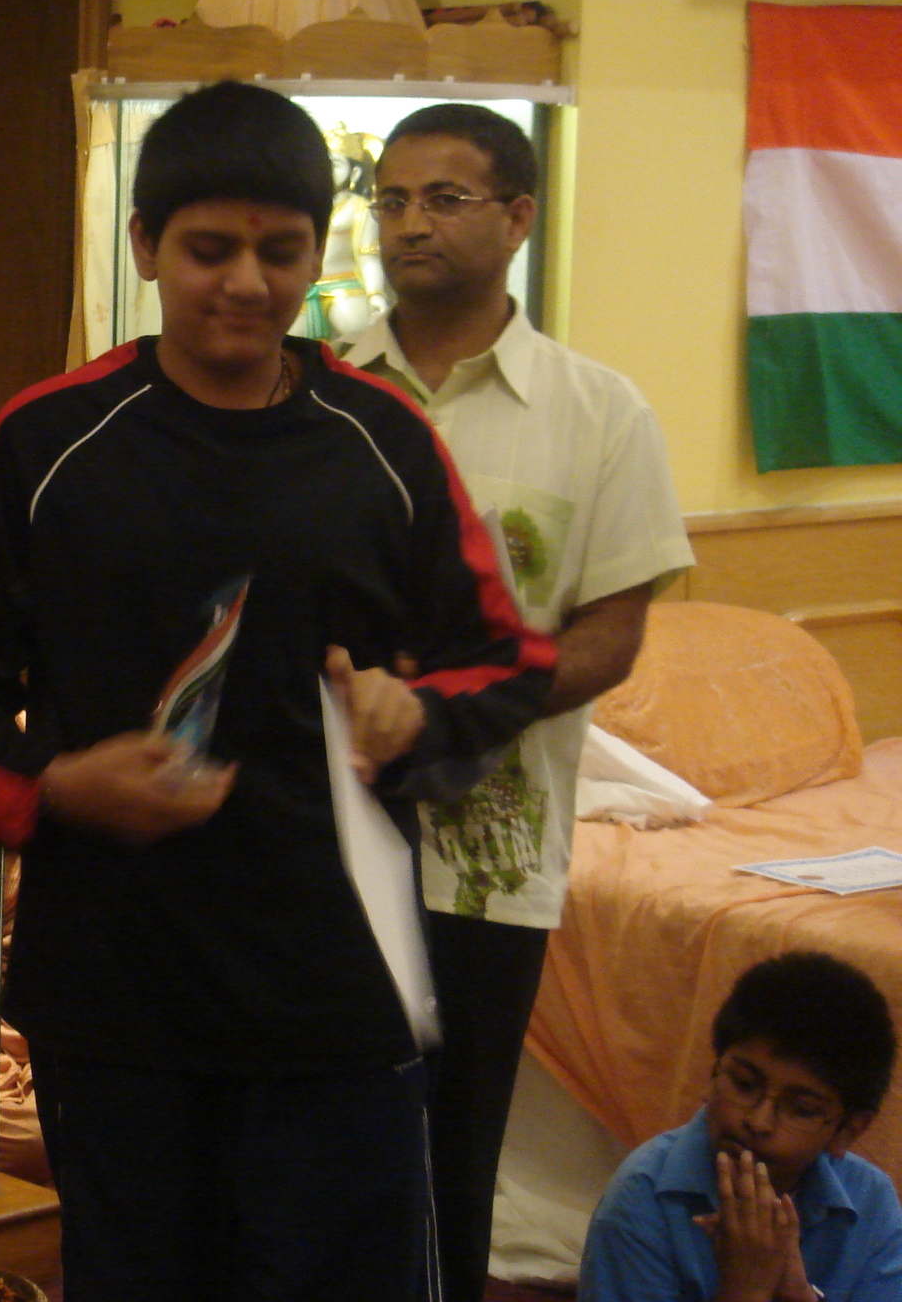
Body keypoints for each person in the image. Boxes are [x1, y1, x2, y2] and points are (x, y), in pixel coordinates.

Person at [0, 80, 558, 1302]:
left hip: (338, 996)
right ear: (144, 245)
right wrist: (57, 785)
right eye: (208, 249)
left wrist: (424, 716)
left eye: (279, 250)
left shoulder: (384, 443)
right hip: (114, 999)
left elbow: (506, 661)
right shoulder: (44, 444)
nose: (244, 283)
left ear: (317, 253)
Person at [340, 102, 694, 1302]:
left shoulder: (597, 413)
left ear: (518, 215)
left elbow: (611, 636)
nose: (406, 225)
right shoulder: (325, 390)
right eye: (388, 199)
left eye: (441, 199)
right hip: (312, 834)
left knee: (450, 1145)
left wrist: (456, 713)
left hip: (487, 856)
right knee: (312, 1127)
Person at [579, 952, 902, 1302]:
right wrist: (746, 1289)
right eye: (744, 1084)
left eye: (802, 1109)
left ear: (848, 1131)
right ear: (713, 1072)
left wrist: (796, 1292)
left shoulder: (870, 1200)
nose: (758, 1122)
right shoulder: (641, 1200)